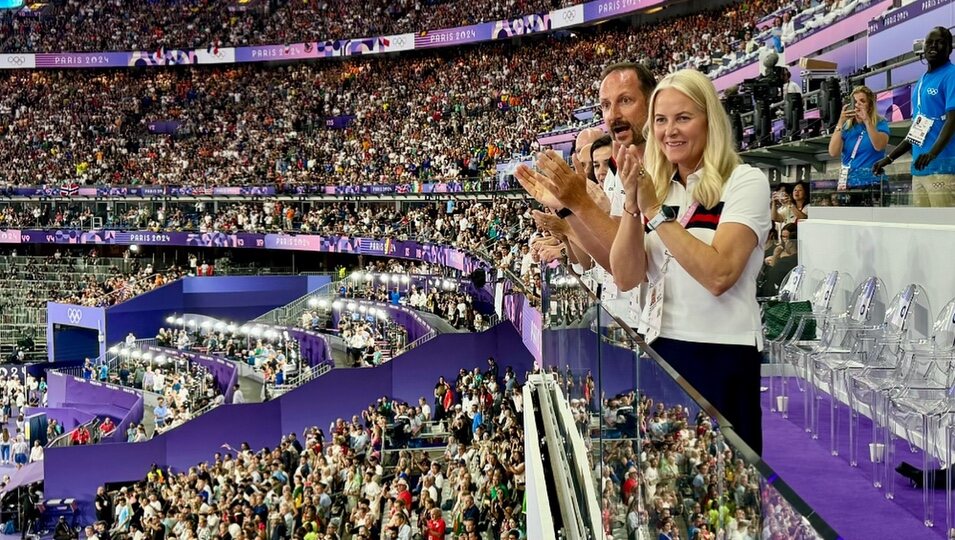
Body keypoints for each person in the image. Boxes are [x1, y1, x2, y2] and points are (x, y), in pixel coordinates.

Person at [609, 69, 771, 454]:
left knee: (728, 495)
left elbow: (720, 274)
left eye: (683, 118)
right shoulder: (660, 189)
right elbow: (627, 275)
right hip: (661, 349)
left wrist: (654, 211)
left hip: (721, 353)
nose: (670, 131)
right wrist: (633, 205)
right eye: (661, 120)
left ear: (709, 120)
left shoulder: (745, 182)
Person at [874, 26, 955, 207]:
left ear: (950, 48)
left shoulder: (952, 75)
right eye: (930, 42)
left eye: (940, 42)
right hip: (919, 171)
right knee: (924, 230)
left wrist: (932, 153)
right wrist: (889, 158)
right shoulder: (922, 81)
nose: (933, 46)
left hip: (943, 168)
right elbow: (916, 131)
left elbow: (953, 120)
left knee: (946, 230)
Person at [828, 85, 889, 204]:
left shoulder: (880, 123)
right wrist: (840, 122)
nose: (857, 105)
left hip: (872, 182)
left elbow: (879, 145)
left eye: (862, 101)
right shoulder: (847, 127)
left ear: (870, 105)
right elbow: (833, 152)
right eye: (855, 101)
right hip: (848, 182)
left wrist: (867, 121)